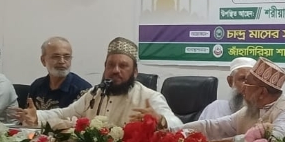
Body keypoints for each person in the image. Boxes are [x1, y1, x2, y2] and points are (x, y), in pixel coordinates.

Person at [15, 37, 182, 129]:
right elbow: (64, 113)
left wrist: (160, 120)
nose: (116, 70)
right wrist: (37, 116)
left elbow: (179, 126)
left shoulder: (149, 97)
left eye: (123, 66)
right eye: (111, 65)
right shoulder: (95, 93)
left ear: (135, 72)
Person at [183, 57, 285, 142]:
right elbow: (213, 127)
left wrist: (230, 141)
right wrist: (176, 131)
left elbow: (276, 141)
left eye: (247, 84)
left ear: (262, 92)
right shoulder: (250, 111)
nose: (243, 88)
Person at [27, 37, 91, 110]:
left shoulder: (84, 91)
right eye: (56, 57)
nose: (62, 61)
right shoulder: (37, 86)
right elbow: (28, 114)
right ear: (43, 60)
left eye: (67, 57)